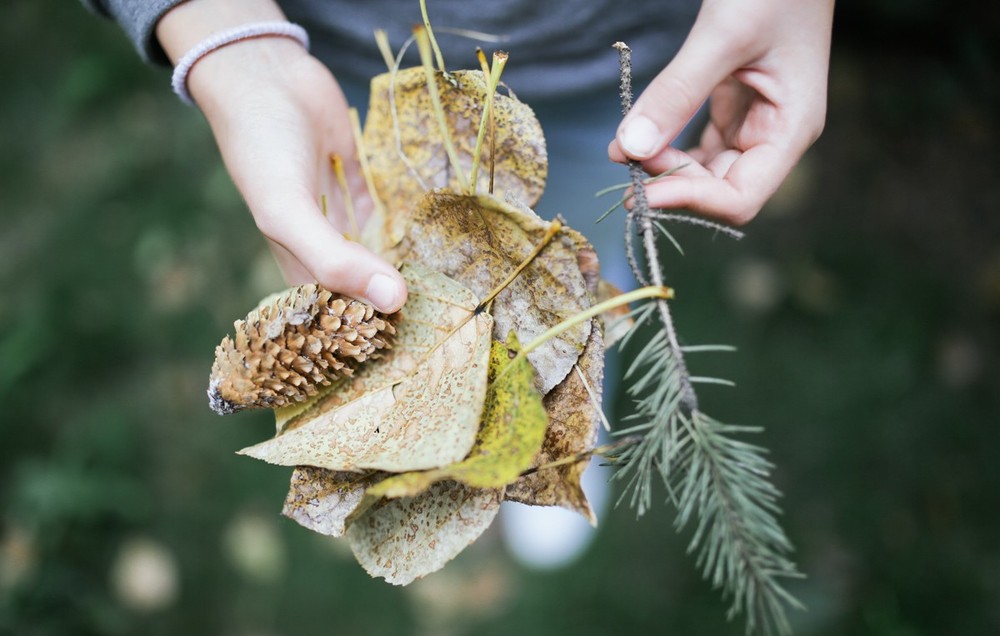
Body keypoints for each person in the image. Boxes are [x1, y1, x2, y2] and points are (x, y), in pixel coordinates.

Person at [84, 0, 833, 315]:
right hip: (353, 62)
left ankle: (566, 410)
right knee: (397, 264)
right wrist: (231, 45)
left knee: (579, 258)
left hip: (628, 65)